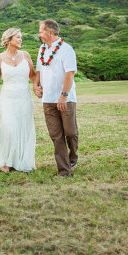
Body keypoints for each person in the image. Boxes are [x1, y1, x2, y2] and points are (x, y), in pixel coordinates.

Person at [0, 28, 37, 173]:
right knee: (9, 127)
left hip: (24, 97)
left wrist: (37, 86)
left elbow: (33, 76)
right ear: (9, 39)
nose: (21, 39)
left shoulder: (26, 55)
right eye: (18, 37)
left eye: (21, 37)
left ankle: (21, 161)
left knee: (24, 127)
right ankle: (6, 162)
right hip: (7, 98)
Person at [34, 19, 79, 177]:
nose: (39, 35)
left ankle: (73, 158)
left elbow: (70, 74)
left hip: (65, 99)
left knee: (70, 132)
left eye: (41, 31)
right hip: (48, 100)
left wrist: (63, 96)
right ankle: (64, 170)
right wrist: (35, 85)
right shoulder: (42, 49)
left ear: (50, 32)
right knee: (56, 135)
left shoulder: (66, 49)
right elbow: (39, 68)